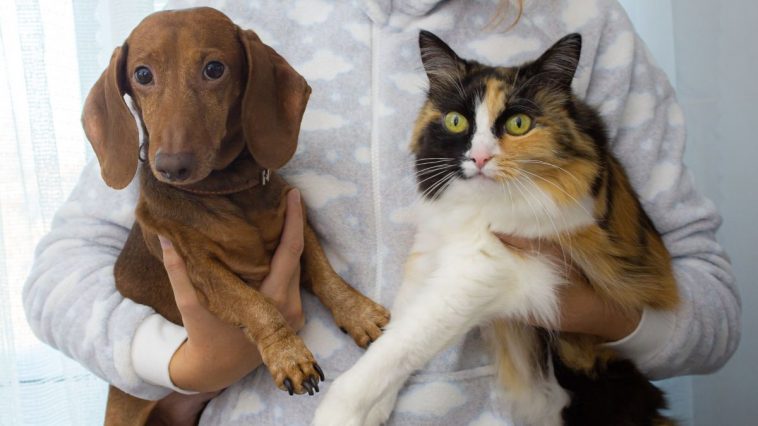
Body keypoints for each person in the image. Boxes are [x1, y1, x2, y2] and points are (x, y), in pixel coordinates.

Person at [23, 0, 739, 424]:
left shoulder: (583, 26)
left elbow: (712, 314)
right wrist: (184, 361)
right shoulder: (226, 33)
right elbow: (59, 277)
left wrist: (582, 305)